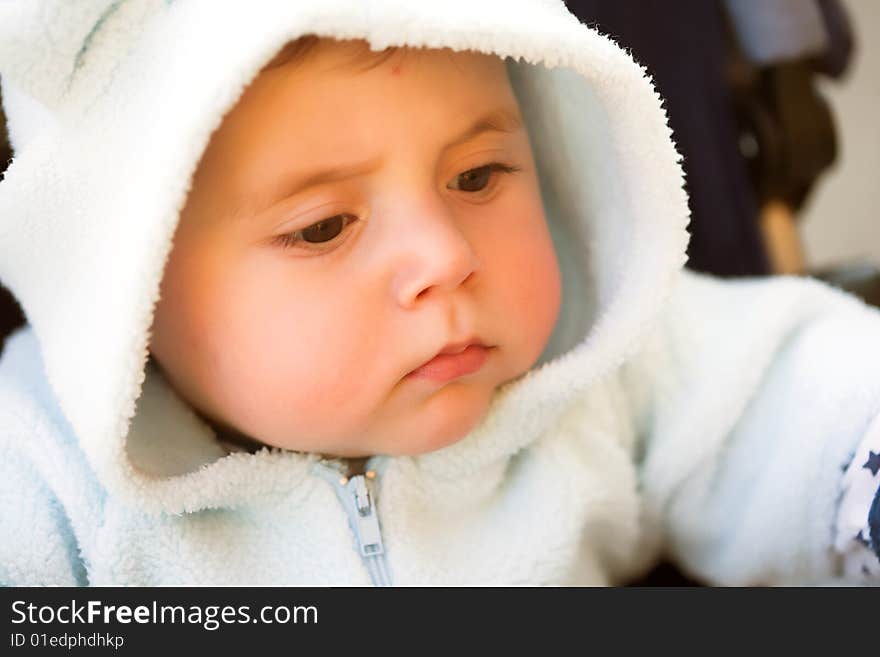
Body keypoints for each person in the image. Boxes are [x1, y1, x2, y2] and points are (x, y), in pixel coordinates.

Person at [0, 1, 878, 586]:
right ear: (132, 284)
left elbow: (784, 395)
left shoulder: (603, 368)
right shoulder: (41, 478)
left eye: (478, 173)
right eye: (322, 227)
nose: (446, 257)